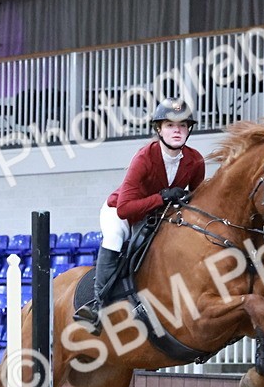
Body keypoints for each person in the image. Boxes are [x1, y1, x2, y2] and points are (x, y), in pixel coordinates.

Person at [73, 98, 206, 332]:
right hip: (121, 211)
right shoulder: (144, 158)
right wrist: (162, 197)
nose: (177, 130)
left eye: (183, 126)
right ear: (159, 129)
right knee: (114, 237)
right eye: (170, 125)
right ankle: (97, 304)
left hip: (158, 215)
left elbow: (196, 197)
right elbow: (126, 208)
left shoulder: (195, 160)